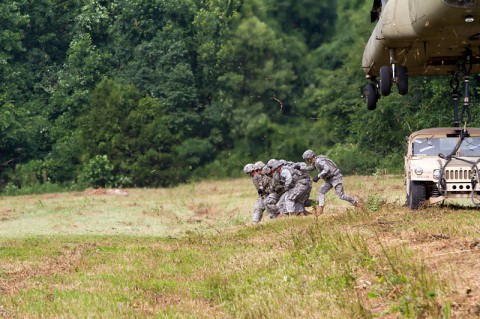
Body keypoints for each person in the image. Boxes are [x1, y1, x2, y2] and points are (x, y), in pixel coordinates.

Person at [302, 149, 357, 215]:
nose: (307, 161)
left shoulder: (319, 161)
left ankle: (356, 203)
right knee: (321, 192)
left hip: (335, 178)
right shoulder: (315, 162)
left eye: (307, 159)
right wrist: (301, 168)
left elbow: (326, 169)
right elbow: (311, 168)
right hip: (329, 179)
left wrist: (318, 176)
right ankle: (320, 209)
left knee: (341, 195)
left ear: (310, 158)